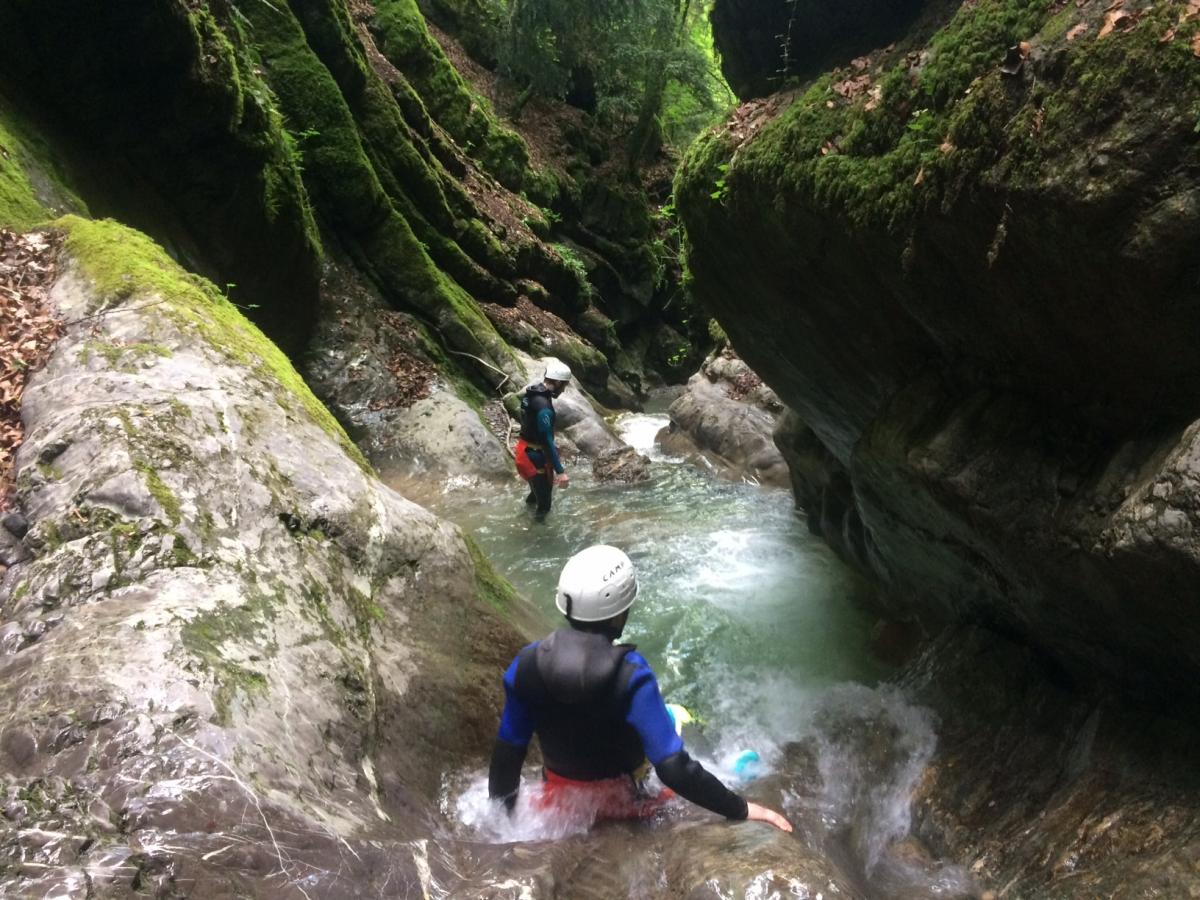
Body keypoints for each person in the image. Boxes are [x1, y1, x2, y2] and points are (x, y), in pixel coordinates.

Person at [488, 544, 793, 832]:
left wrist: (503, 824)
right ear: (621, 613)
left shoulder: (526, 664)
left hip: (561, 800)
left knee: (664, 717)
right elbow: (674, 768)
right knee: (677, 719)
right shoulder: (631, 673)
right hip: (629, 801)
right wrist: (740, 808)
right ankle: (728, 769)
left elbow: (507, 754)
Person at [514, 359, 571, 517]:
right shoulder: (544, 406)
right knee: (545, 505)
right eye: (564, 385)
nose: (564, 390)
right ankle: (534, 530)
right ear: (558, 382)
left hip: (524, 450)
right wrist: (560, 472)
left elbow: (531, 423)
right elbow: (546, 440)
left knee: (536, 493)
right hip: (533, 458)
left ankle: (523, 516)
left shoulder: (533, 393)